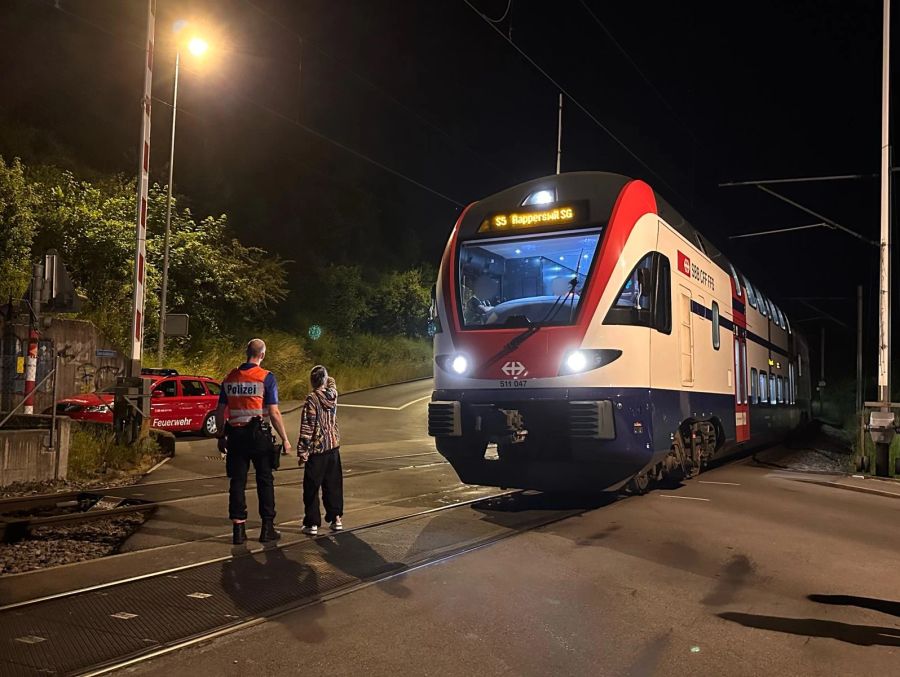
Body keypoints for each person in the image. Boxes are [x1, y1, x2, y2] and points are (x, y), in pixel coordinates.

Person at [215, 338, 291, 545]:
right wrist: (285, 438)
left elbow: (220, 410)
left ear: (246, 352)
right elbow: (274, 412)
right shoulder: (266, 378)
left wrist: (221, 435)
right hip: (259, 437)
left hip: (236, 438)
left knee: (237, 482)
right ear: (262, 355)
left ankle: (238, 530)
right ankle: (267, 528)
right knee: (264, 480)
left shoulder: (230, 378)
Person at [297, 365, 343, 534]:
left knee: (311, 487)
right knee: (333, 485)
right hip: (333, 447)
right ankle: (336, 518)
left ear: (311, 381)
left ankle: (312, 523)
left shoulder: (312, 399)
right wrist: (328, 378)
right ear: (324, 380)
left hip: (317, 450)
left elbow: (308, 426)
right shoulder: (333, 395)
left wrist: (303, 451)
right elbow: (332, 384)